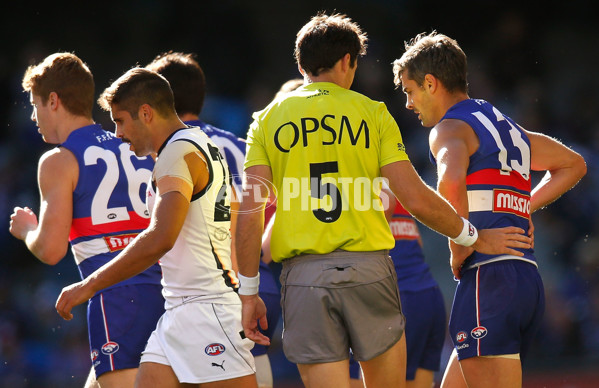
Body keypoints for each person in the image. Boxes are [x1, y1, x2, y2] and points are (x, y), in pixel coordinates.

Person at [234, 13, 532, 388]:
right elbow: (416, 199)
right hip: (370, 272)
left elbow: (249, 212)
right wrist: (473, 236)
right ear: (347, 62)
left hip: (304, 279)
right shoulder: (373, 113)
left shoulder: (266, 120)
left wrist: (248, 294)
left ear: (300, 65)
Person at [392, 31, 587, 388]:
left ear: (431, 84)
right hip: (524, 279)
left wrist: (462, 243)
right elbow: (573, 163)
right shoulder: (504, 124)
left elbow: (449, 184)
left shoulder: (450, 127)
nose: (408, 103)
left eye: (410, 91)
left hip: (489, 279)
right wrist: (523, 207)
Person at [54, 67, 258, 387]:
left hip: (208, 312)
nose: (118, 134)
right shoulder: (199, 144)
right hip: (180, 310)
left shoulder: (177, 153)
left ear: (146, 113)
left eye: (120, 120)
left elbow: (161, 237)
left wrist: (90, 285)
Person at [10, 53, 164, 388]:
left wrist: (27, 231)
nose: (34, 116)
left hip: (117, 298)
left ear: (53, 100)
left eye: (35, 105)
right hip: (168, 292)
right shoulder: (137, 146)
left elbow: (51, 251)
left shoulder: (58, 161)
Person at [145, 51, 281, 388]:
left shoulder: (163, 151)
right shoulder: (242, 145)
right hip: (257, 282)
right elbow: (276, 204)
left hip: (204, 290)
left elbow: (156, 229)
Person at [349, 195, 447, 388]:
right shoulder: (400, 191)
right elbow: (418, 243)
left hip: (395, 300)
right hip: (429, 297)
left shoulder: (360, 190)